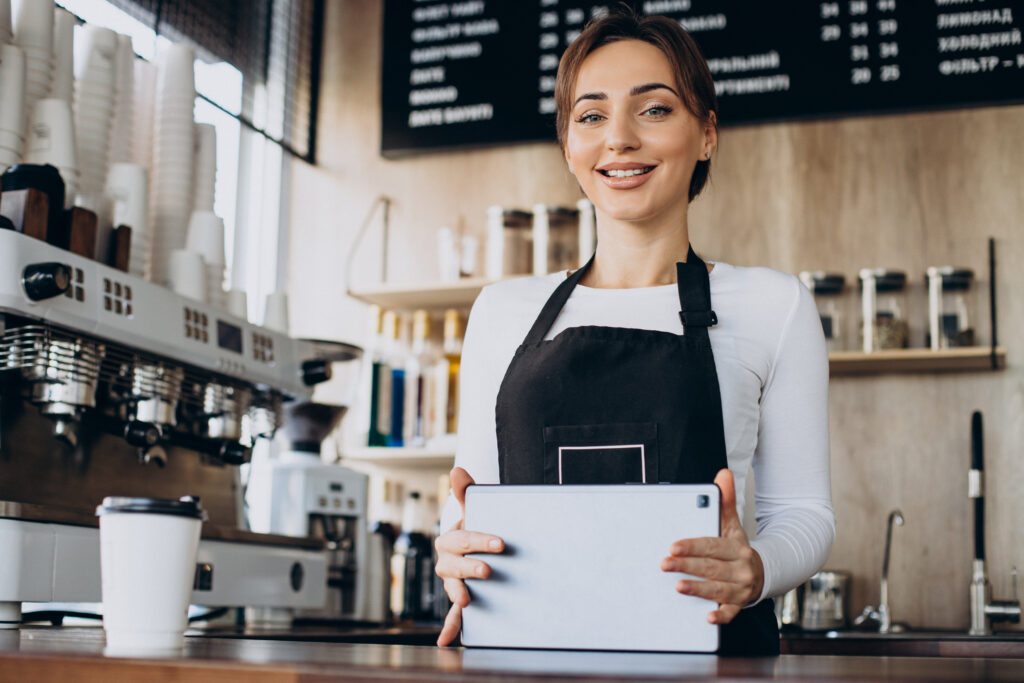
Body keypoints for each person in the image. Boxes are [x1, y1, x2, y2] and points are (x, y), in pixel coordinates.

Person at [433, 8, 834, 656]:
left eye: (653, 109)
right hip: (524, 661)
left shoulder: (773, 305)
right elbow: (467, 505)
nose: (618, 138)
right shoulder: (502, 310)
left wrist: (753, 570)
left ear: (706, 133)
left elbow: (805, 514)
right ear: (568, 145)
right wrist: (451, 546)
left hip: (716, 665)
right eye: (591, 115)